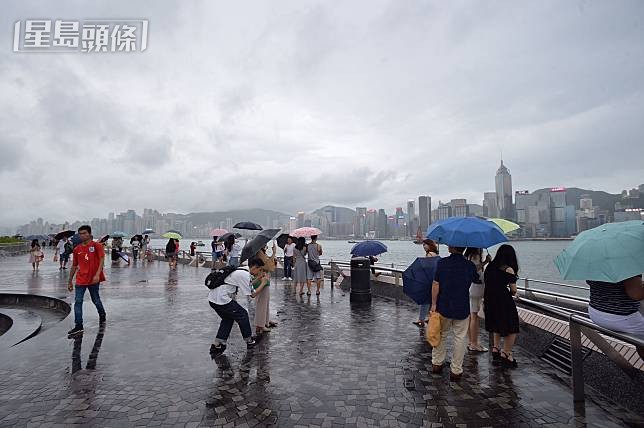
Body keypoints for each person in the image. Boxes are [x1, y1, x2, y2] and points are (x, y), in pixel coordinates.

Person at [430, 246, 481, 381]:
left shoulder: (441, 263)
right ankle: (456, 370)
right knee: (460, 337)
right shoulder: (469, 265)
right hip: (462, 306)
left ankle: (437, 363)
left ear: (451, 247)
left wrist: (434, 304)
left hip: (443, 305)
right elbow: (476, 279)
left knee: (442, 334)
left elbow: (436, 284)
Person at [209, 257, 264, 355]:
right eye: (259, 270)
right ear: (255, 267)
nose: (259, 272)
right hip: (222, 299)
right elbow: (252, 294)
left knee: (228, 319)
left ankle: (217, 344)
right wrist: (263, 284)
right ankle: (249, 341)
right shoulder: (244, 275)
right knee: (242, 314)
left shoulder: (240, 270)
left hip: (213, 299)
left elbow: (247, 285)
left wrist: (257, 279)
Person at [587, 275, 644, 360]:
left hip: (595, 312)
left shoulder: (593, 264)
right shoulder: (629, 266)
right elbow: (637, 295)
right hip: (622, 317)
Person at [484, 244, 520, 368]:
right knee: (512, 325)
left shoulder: (490, 266)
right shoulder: (508, 269)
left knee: (496, 323)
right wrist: (512, 292)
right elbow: (513, 290)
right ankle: (506, 353)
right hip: (503, 300)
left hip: (489, 300)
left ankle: (496, 348)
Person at [67, 225, 107, 337]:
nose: (82, 235)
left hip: (94, 279)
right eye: (80, 233)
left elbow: (101, 260)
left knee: (96, 299)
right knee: (78, 301)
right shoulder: (77, 249)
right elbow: (74, 265)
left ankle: (102, 314)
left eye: (84, 233)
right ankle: (78, 325)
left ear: (89, 234)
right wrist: (69, 280)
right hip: (81, 279)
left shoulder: (97, 246)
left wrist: (98, 275)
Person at [465, 247, 491, 352]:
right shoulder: (474, 256)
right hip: (475, 289)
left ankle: (471, 342)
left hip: (472, 288)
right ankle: (474, 344)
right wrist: (486, 262)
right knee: (474, 317)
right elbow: (474, 269)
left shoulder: (467, 256)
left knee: (471, 317)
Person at [413, 239, 439, 328]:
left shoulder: (429, 254)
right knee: (431, 301)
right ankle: (429, 318)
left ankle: (421, 320)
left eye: (425, 245)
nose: (424, 246)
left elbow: (427, 268)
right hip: (434, 279)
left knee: (425, 301)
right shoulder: (436, 254)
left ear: (430, 245)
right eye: (423, 245)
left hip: (429, 281)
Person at [255, 244, 278, 333]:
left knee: (265, 301)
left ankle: (265, 321)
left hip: (265, 278)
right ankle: (260, 324)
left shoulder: (261, 252)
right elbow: (267, 265)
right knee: (262, 302)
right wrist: (274, 253)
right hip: (262, 278)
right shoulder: (259, 252)